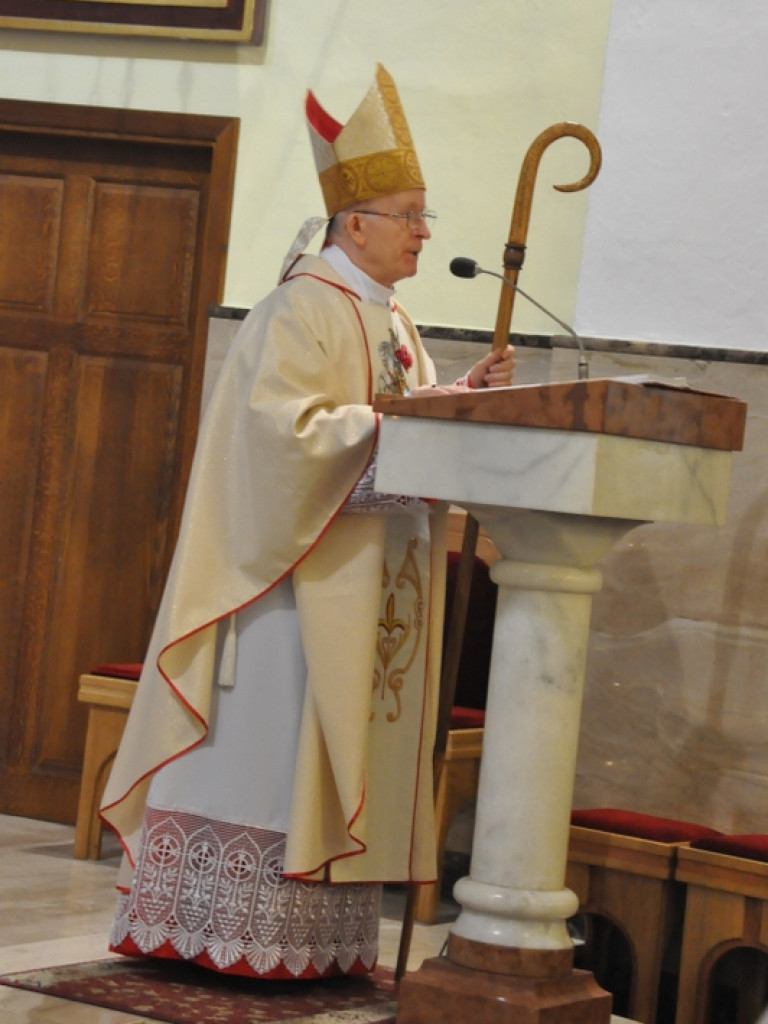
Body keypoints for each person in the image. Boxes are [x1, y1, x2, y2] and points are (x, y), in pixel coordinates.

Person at [100, 63, 514, 981]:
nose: (424, 231)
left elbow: (397, 416)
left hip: (366, 590)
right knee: (274, 756)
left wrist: (460, 397)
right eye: (410, 215)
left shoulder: (394, 322)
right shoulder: (297, 310)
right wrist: (414, 420)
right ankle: (229, 935)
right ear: (354, 224)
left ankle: (311, 946)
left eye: (425, 216)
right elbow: (282, 442)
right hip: (286, 593)